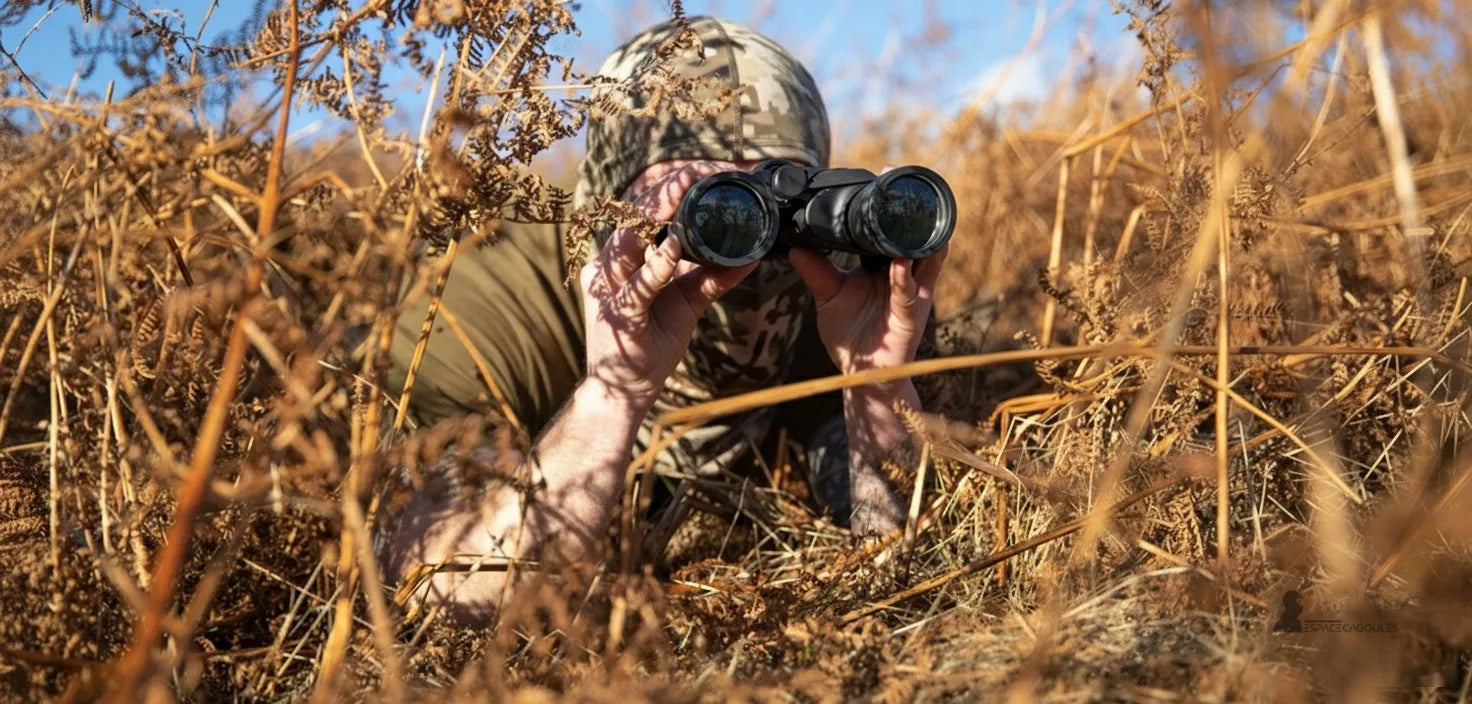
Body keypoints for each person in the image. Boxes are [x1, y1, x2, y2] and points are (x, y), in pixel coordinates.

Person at [380, 16, 948, 623]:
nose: (747, 254)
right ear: (604, 204)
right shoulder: (485, 304)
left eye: (777, 205)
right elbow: (445, 595)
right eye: (708, 206)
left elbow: (910, 579)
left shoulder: (841, 292)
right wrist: (611, 394)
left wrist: (877, 390)